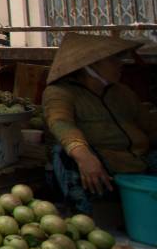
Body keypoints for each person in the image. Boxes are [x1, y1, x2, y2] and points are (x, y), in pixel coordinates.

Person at [43, 33, 157, 213]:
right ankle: (83, 216)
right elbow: (61, 123)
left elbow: (149, 126)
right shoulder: (60, 92)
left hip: (139, 163)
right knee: (62, 153)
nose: (120, 64)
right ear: (91, 65)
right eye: (113, 60)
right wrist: (83, 155)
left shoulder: (122, 93)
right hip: (100, 168)